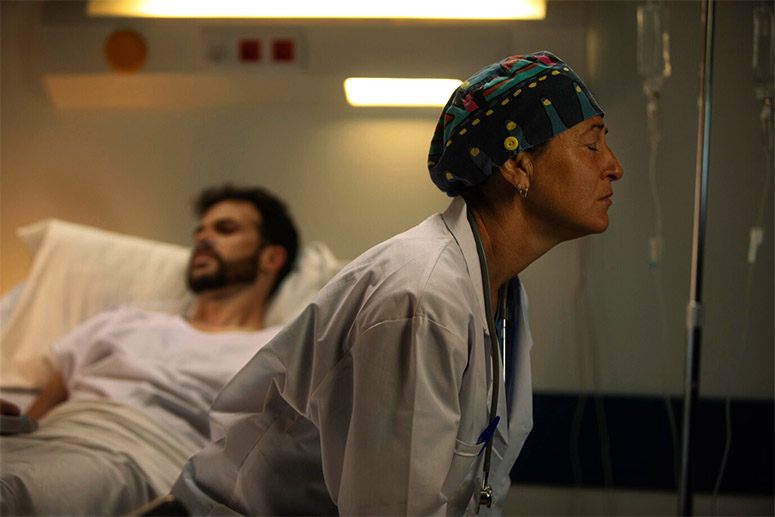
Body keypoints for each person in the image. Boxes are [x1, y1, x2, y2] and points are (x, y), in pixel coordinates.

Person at [171, 51, 623, 515]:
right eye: (592, 144)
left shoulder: (497, 293)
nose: (613, 166)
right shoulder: (423, 298)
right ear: (517, 166)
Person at [0, 184, 299, 516]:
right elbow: (40, 411)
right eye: (200, 231)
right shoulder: (125, 321)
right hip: (50, 440)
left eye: (225, 229)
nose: (203, 238)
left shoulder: (273, 352)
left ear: (271, 257)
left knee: (12, 491)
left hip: (142, 459)